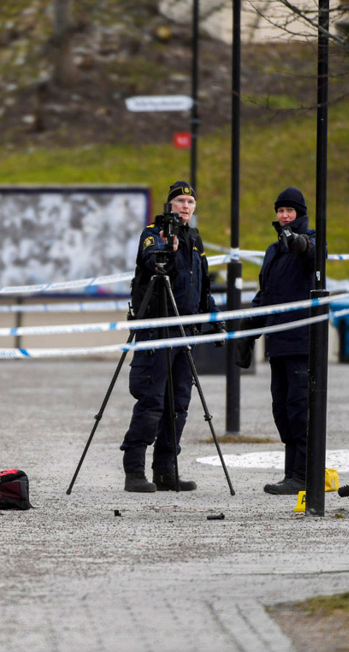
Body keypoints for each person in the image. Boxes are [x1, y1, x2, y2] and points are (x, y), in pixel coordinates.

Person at [120, 180, 225, 493]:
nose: (185, 207)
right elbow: (154, 265)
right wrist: (168, 246)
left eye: (190, 203)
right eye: (179, 201)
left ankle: (167, 471)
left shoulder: (194, 238)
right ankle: (134, 471)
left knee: (178, 404)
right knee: (151, 402)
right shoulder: (153, 233)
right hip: (157, 329)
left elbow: (202, 284)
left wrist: (215, 320)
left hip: (186, 332)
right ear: (169, 205)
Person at [235, 187, 316, 495]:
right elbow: (266, 297)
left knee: (300, 410)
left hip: (302, 343)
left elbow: (310, 252)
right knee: (282, 411)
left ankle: (303, 475)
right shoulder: (272, 251)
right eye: (280, 211)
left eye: (290, 211)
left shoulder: (312, 241)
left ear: (300, 214)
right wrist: (249, 331)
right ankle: (291, 474)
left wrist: (300, 243)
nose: (284, 216)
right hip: (278, 344)